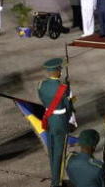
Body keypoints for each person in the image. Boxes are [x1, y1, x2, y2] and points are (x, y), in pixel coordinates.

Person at [38, 58, 76, 187]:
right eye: (60, 69)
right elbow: (68, 107)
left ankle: (54, 176)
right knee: (60, 152)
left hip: (48, 119)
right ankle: (56, 182)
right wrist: (71, 97)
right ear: (58, 71)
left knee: (52, 149)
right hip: (60, 122)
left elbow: (44, 101)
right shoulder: (63, 88)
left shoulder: (41, 85)